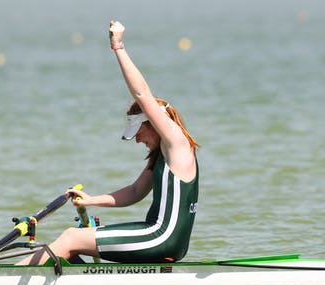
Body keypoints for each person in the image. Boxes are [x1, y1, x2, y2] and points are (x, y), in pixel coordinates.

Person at [17, 21, 199, 265]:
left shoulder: (176, 143)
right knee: (73, 245)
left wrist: (118, 46)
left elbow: (142, 94)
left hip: (161, 237)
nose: (137, 140)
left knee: (71, 237)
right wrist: (90, 200)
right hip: (164, 238)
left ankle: (2, 277)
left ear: (153, 123)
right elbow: (134, 192)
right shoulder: (162, 156)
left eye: (138, 132)